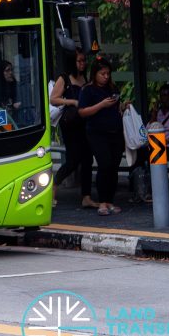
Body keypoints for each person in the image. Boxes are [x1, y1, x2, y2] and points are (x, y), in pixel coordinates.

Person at [78, 57, 127, 216]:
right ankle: (102, 202)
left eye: (108, 73)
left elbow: (117, 108)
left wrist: (123, 107)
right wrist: (101, 105)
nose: (106, 77)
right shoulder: (87, 90)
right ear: (95, 74)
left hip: (115, 131)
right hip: (97, 132)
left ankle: (110, 201)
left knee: (113, 166)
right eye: (102, 73)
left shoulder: (112, 88)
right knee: (104, 164)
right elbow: (82, 112)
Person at [50, 50, 97, 209]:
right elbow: (53, 99)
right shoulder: (64, 78)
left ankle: (86, 196)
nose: (82, 64)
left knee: (87, 159)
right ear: (72, 62)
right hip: (70, 123)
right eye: (79, 61)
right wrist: (72, 102)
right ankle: (53, 186)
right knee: (72, 160)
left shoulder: (85, 77)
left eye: (84, 61)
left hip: (85, 121)